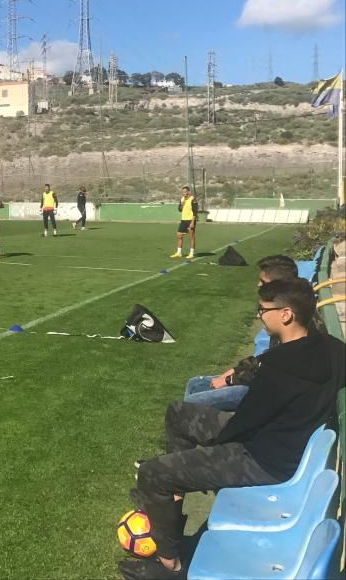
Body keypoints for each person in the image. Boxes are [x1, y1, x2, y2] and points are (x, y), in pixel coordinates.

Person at [124, 279, 345, 580]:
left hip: (263, 459)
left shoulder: (279, 367)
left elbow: (241, 427)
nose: (260, 316)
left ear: (286, 314)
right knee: (178, 414)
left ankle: (169, 566)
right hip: (277, 441)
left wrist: (207, 456)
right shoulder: (333, 348)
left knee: (153, 473)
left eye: (263, 310)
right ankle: (171, 508)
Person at [183, 255, 326, 411]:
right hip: (263, 381)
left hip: (270, 393)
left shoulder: (297, 322)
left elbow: (276, 372)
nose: (258, 285)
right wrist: (236, 370)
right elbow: (267, 359)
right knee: (196, 383)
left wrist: (232, 379)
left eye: (263, 282)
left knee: (192, 404)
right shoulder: (283, 312)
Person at [169, 186, 197, 259]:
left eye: (185, 191)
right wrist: (182, 204)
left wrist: (192, 222)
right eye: (182, 192)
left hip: (190, 220)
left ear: (188, 192)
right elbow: (180, 209)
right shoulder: (182, 199)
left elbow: (195, 212)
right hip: (183, 220)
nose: (183, 193)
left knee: (191, 237)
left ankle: (191, 253)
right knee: (179, 235)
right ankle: (179, 253)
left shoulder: (193, 199)